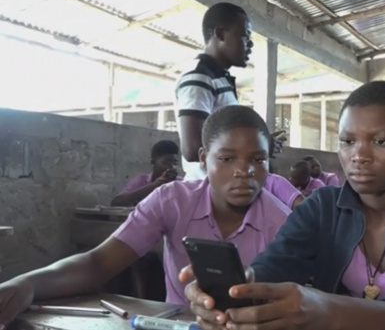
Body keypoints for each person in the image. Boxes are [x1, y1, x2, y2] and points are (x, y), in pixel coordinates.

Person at [181, 81, 385, 330]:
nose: (359, 155)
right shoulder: (324, 206)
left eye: (380, 141)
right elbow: (274, 266)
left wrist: (331, 310)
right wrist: (237, 291)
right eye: (347, 141)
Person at [0, 106, 292, 328]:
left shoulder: (285, 222)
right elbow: (99, 263)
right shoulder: (173, 201)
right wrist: (28, 283)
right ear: (203, 158)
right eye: (227, 159)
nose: (245, 171)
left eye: (258, 159)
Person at [175, 2, 283, 180]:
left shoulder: (217, 78)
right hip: (206, 190)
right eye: (244, 36)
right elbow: (192, 148)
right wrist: (256, 146)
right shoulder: (199, 77)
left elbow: (220, 136)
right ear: (220, 33)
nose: (250, 45)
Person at [111, 140, 180, 207]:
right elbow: (117, 202)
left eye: (175, 163)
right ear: (153, 162)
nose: (172, 167)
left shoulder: (180, 183)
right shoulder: (141, 180)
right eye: (166, 163)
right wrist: (154, 185)